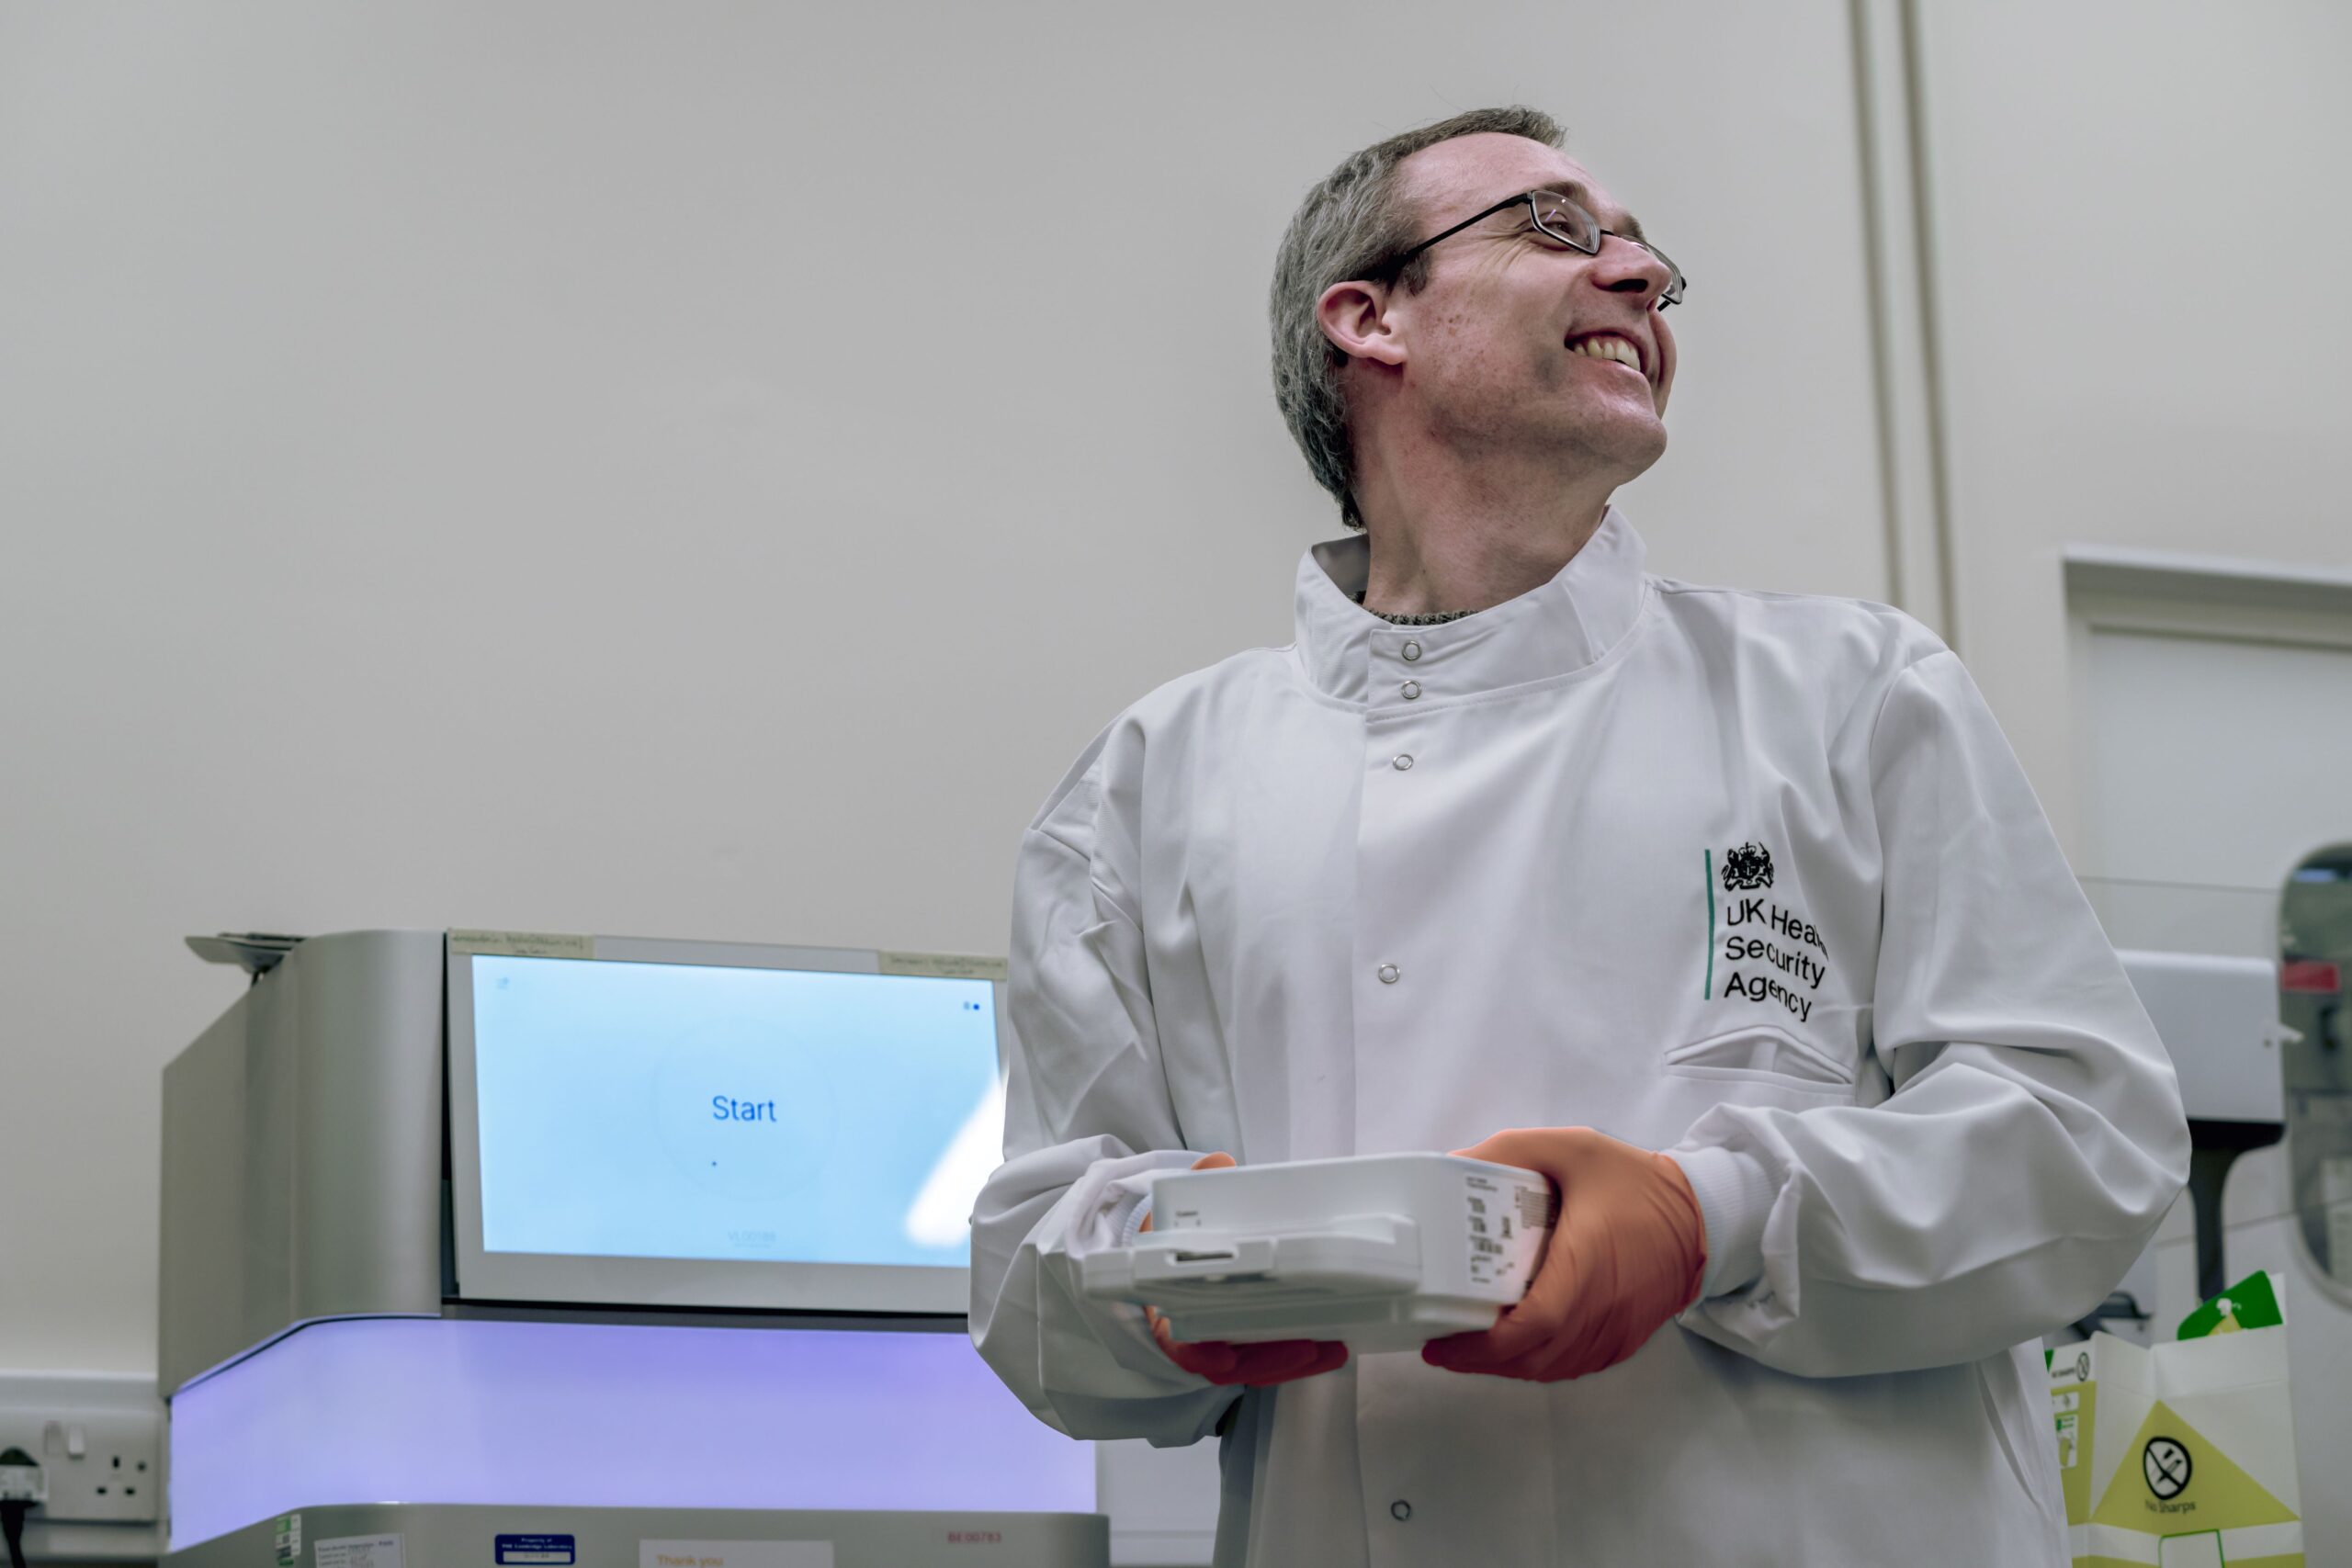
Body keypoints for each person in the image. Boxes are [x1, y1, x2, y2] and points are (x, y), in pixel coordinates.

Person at [969, 106, 2188, 1566]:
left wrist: (1709, 1215)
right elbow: (1030, 1285)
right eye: (1558, 227)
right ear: (1370, 319)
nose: (1638, 274)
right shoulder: (1148, 787)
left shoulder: (1851, 698)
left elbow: (2084, 1143)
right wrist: (1161, 1281)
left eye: (1648, 260)